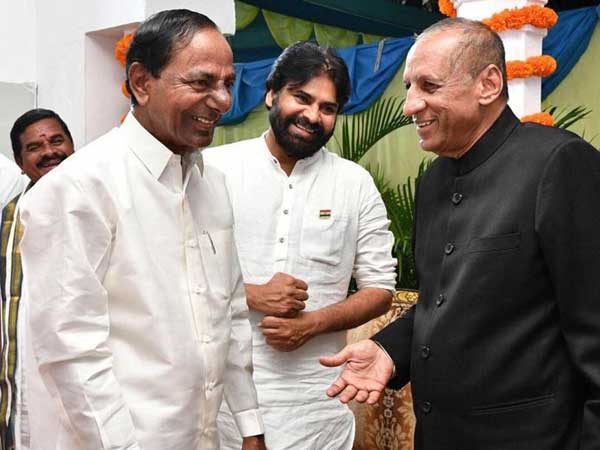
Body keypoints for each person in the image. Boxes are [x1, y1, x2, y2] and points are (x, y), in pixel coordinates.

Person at [321, 17, 600, 450]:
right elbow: (443, 301)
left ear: (488, 84)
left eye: (429, 86)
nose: (410, 105)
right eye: (409, 87)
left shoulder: (559, 163)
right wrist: (389, 350)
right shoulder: (433, 180)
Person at [18, 10, 265, 450]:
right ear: (141, 82)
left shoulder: (212, 183)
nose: (223, 100)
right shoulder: (79, 187)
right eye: (202, 82)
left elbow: (229, 313)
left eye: (228, 83)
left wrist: (250, 425)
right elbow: (73, 353)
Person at [203, 41, 396, 450]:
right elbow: (178, 271)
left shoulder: (354, 183)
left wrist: (314, 323)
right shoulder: (216, 169)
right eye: (302, 98)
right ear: (272, 94)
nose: (312, 115)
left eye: (327, 108)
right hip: (223, 402)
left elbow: (380, 289)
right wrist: (251, 294)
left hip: (317, 407)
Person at [1, 108, 74, 450]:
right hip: (21, 372)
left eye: (57, 141)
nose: (49, 152)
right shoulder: (9, 218)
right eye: (34, 147)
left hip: (86, 369)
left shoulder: (103, 201)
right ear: (20, 163)